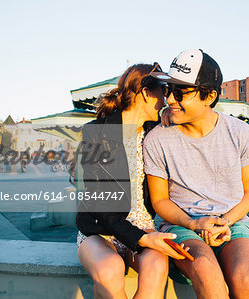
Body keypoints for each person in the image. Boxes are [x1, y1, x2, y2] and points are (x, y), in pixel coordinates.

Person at [144, 49, 249, 298]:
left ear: (209, 95)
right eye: (168, 90)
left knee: (247, 278)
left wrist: (225, 222)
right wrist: (194, 223)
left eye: (180, 92)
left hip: (234, 222)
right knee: (206, 272)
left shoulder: (240, 132)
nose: (170, 100)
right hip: (181, 225)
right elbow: (159, 200)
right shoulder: (157, 139)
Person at [75, 63, 189, 299]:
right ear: (146, 93)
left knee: (157, 266)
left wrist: (174, 116)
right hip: (100, 230)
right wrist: (143, 238)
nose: (167, 98)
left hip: (144, 226)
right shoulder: (95, 134)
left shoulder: (156, 133)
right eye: (164, 90)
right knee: (109, 269)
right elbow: (103, 206)